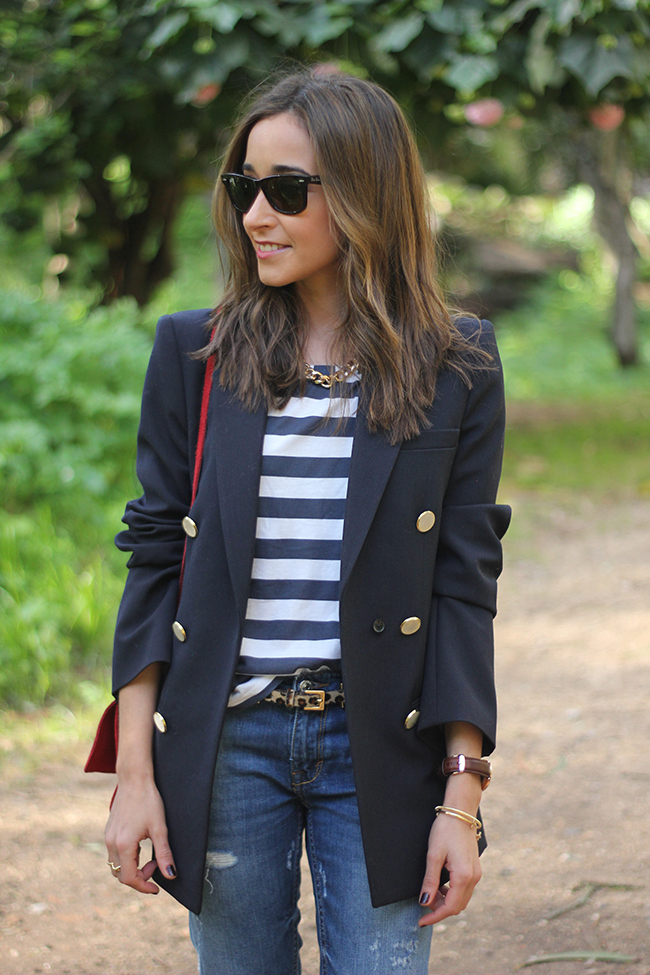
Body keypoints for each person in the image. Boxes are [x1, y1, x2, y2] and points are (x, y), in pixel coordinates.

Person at [103, 69, 511, 975]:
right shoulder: (196, 354)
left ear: (367, 194)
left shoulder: (458, 365)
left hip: (383, 744)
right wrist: (134, 776)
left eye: (286, 190)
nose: (256, 215)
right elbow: (154, 562)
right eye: (244, 187)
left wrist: (462, 796)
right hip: (227, 743)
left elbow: (462, 584)